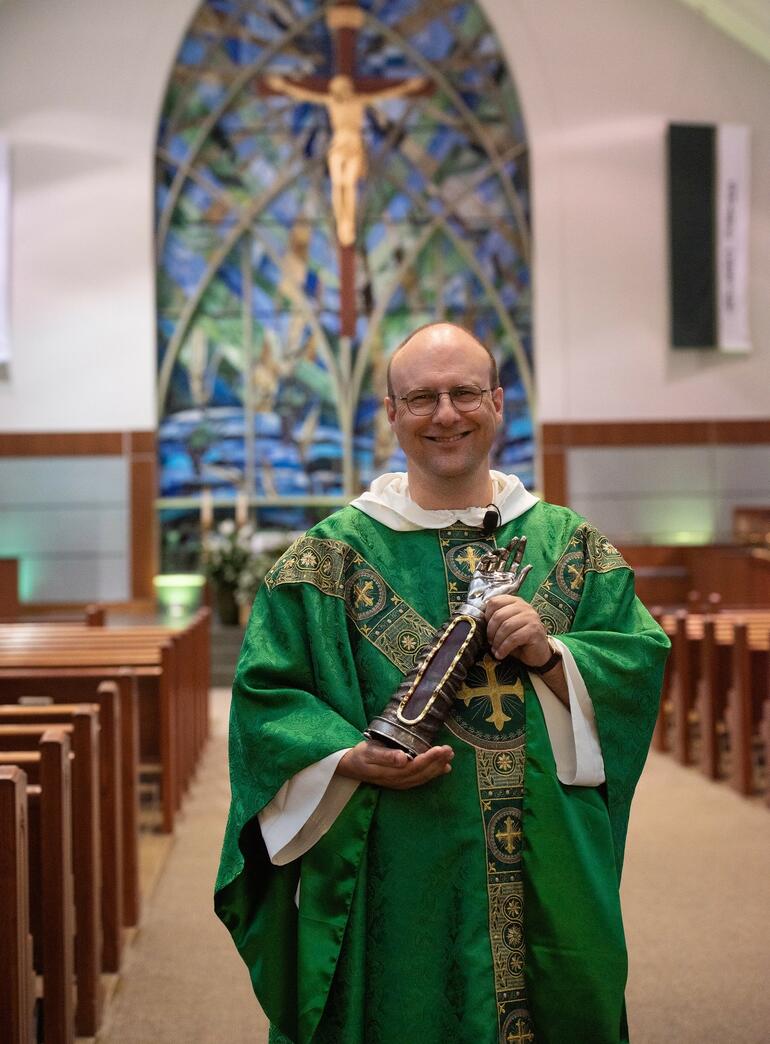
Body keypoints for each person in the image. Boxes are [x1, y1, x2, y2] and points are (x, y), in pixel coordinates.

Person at [215, 322, 670, 1044]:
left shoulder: (573, 546)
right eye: (422, 398)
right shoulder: (327, 557)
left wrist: (555, 656)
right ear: (390, 414)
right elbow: (268, 700)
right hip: (394, 860)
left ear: (496, 403)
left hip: (546, 858)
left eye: (463, 394)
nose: (446, 415)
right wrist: (341, 759)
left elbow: (637, 665)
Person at [265, 73, 427, 246]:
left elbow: (386, 94)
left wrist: (408, 87)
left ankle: (347, 224)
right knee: (338, 184)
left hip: (354, 146)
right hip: (338, 145)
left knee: (348, 184)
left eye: (344, 87)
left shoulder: (359, 100)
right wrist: (283, 87)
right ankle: (340, 221)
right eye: (339, 87)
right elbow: (306, 95)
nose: (342, 91)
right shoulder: (331, 101)